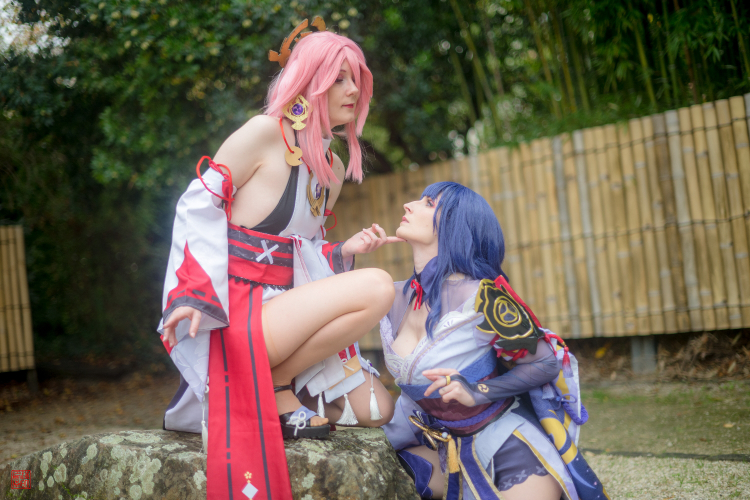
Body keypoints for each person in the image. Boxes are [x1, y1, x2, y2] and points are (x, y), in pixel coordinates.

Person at [157, 20, 398, 500]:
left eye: (356, 79)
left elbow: (298, 252)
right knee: (378, 286)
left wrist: (341, 252)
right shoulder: (263, 133)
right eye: (339, 78)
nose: (353, 90)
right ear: (309, 81)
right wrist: (189, 293)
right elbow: (198, 207)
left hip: (284, 315)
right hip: (239, 317)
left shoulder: (330, 169)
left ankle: (273, 383)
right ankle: (276, 384)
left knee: (376, 410)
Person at [380, 181, 609, 500]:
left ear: (455, 226)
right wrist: (342, 257)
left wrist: (477, 391)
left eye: (429, 203)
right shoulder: (387, 294)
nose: (409, 205)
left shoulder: (484, 296)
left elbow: (545, 362)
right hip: (427, 439)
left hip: (501, 441)